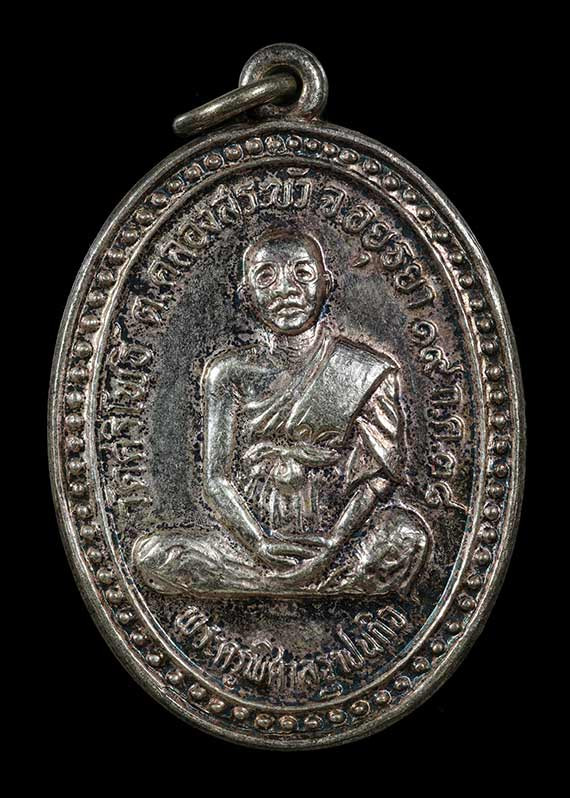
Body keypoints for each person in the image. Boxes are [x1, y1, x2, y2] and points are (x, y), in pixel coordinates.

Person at [133, 229, 431, 596]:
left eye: (302, 273)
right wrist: (259, 543)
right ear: (247, 296)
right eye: (266, 277)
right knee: (155, 555)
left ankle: (278, 585)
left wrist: (334, 543)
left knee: (406, 537)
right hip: (251, 544)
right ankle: (307, 584)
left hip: (336, 541)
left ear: (326, 285)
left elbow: (378, 476)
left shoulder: (366, 371)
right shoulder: (227, 372)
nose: (286, 289)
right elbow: (216, 480)